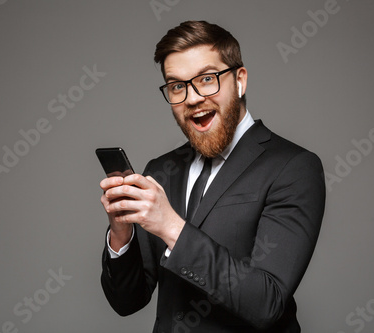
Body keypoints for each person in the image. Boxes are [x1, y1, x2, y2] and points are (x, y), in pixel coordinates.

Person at [99, 20, 326, 333]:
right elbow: (127, 302)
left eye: (207, 79)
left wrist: (170, 226)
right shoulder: (161, 171)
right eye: (177, 85)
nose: (192, 98)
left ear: (240, 80)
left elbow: (267, 302)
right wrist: (121, 235)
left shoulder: (294, 167)